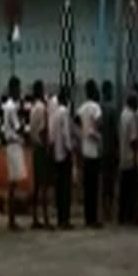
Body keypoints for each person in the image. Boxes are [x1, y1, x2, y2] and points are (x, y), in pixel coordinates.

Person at [78, 79, 103, 228]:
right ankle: (93, 219)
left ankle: (88, 218)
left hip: (84, 150)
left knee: (87, 188)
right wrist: (95, 132)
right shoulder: (95, 107)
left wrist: (84, 131)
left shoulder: (82, 107)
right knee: (94, 188)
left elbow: (76, 121)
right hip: (94, 151)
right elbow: (100, 122)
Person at [28, 80, 53, 230]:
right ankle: (46, 218)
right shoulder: (42, 108)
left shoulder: (33, 108)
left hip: (35, 148)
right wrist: (47, 147)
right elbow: (43, 131)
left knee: (37, 185)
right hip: (42, 148)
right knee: (44, 185)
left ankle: (35, 218)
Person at [3, 76, 27, 231]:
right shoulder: (11, 107)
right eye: (18, 88)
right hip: (13, 146)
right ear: (13, 89)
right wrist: (24, 126)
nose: (20, 91)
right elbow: (18, 128)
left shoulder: (9, 106)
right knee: (12, 184)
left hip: (13, 145)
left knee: (14, 183)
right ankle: (11, 220)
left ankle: (12, 219)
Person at [50, 86, 74, 229]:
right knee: (65, 189)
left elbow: (53, 136)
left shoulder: (54, 113)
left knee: (59, 189)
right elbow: (66, 134)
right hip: (64, 155)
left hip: (56, 155)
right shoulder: (64, 112)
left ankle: (60, 219)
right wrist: (70, 151)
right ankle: (65, 219)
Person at [118, 92, 138, 225]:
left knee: (124, 189)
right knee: (132, 189)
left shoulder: (123, 114)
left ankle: (122, 216)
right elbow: (133, 140)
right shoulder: (131, 116)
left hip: (123, 155)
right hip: (131, 157)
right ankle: (132, 216)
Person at [99, 80, 119, 223]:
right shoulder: (112, 109)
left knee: (103, 182)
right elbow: (116, 132)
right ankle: (110, 211)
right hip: (111, 150)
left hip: (101, 150)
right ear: (107, 91)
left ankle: (103, 210)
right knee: (110, 182)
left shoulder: (99, 108)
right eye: (111, 90)